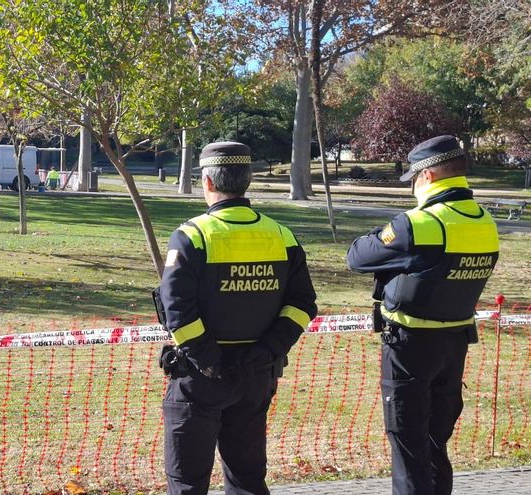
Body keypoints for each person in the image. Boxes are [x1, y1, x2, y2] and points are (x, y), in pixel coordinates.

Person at [155, 141, 317, 495]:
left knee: (187, 483)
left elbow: (178, 314)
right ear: (247, 180)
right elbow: (303, 305)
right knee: (247, 480)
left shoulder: (192, 236)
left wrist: (211, 362)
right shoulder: (281, 236)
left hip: (201, 379)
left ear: (208, 182)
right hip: (256, 376)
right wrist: (266, 351)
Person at [347, 135, 499, 495]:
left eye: (413, 180)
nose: (412, 188)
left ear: (428, 176)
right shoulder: (485, 222)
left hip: (410, 348)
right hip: (454, 346)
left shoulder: (417, 224)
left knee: (409, 452)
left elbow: (356, 257)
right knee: (434, 449)